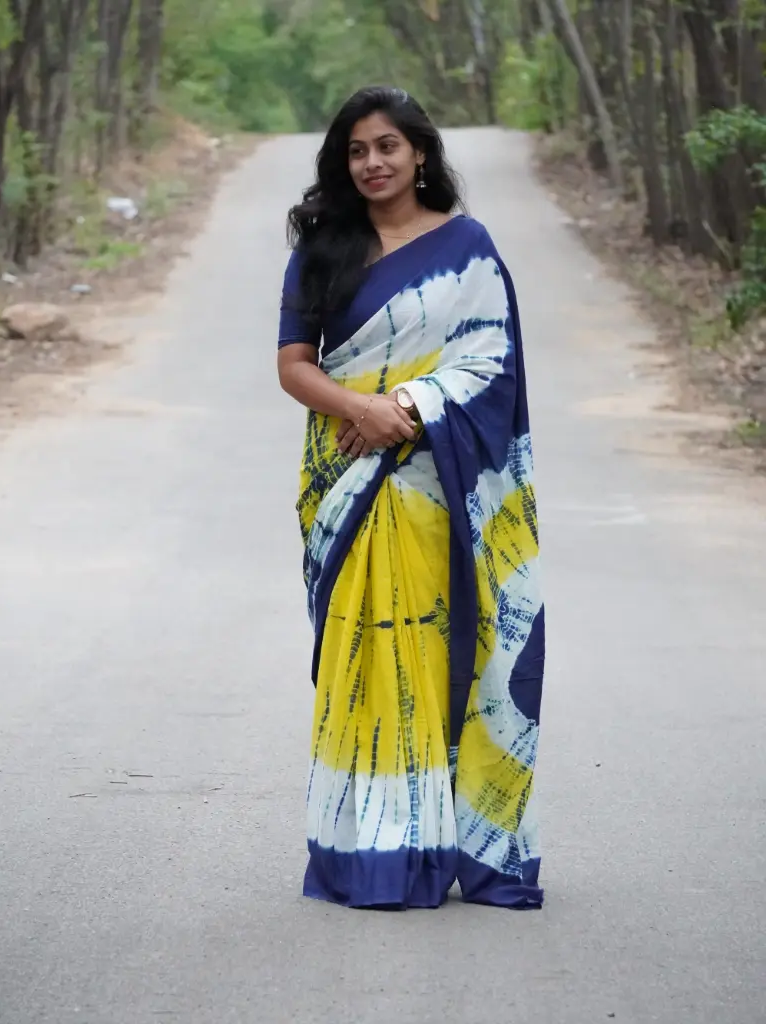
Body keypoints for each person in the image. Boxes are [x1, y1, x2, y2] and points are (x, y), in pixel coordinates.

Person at [277, 85, 545, 911]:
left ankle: (441, 842)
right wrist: (361, 408)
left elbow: (492, 364)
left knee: (435, 650)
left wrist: (410, 403)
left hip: (439, 484)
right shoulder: (323, 247)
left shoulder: (467, 248)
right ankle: (369, 848)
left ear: (420, 152)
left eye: (387, 146)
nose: (372, 163)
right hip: (348, 479)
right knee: (364, 655)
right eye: (357, 151)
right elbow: (293, 365)